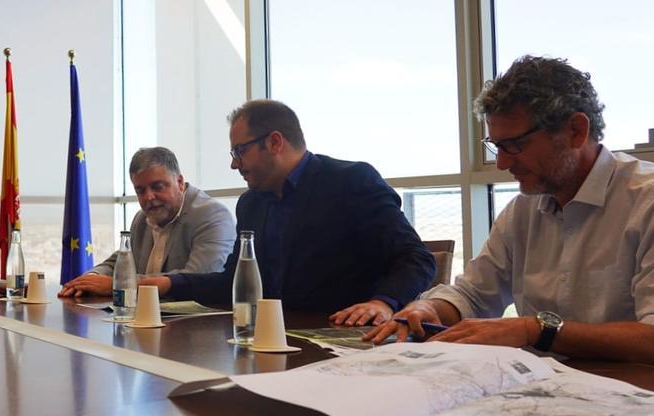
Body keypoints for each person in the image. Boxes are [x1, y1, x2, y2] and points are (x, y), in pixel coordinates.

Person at [367, 56, 654, 373]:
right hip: (548, 389)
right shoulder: (523, 211)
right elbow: (473, 294)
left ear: (575, 131)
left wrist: (535, 329)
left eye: (515, 144)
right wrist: (431, 309)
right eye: (496, 146)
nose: (502, 163)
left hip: (638, 399)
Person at [138, 99, 434, 321]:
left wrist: (383, 302)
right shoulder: (251, 203)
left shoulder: (350, 182)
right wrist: (170, 283)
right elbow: (232, 282)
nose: (234, 164)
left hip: (341, 338)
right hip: (271, 340)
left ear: (275, 142)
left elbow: (415, 258)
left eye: (239, 151)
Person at [59, 146, 234, 297]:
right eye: (140, 190)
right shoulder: (142, 219)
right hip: (145, 319)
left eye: (158, 187)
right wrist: (90, 279)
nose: (149, 197)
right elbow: (118, 263)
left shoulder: (212, 216)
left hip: (197, 328)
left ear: (179, 182)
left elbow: (196, 278)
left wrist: (117, 285)